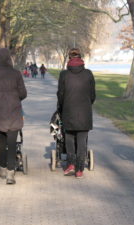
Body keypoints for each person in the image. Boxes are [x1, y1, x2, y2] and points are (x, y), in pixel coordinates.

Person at [0, 48, 27, 185]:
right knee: (12, 143)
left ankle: (2, 169)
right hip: (13, 112)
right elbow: (23, 93)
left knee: (2, 142)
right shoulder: (16, 74)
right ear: (10, 59)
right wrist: (15, 98)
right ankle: (10, 173)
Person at [57, 48, 96, 179]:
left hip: (68, 112)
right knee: (82, 142)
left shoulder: (64, 75)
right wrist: (86, 104)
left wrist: (61, 108)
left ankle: (71, 164)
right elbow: (92, 95)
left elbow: (60, 95)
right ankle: (80, 170)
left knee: (69, 140)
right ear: (81, 58)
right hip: (84, 113)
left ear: (69, 58)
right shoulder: (88, 74)